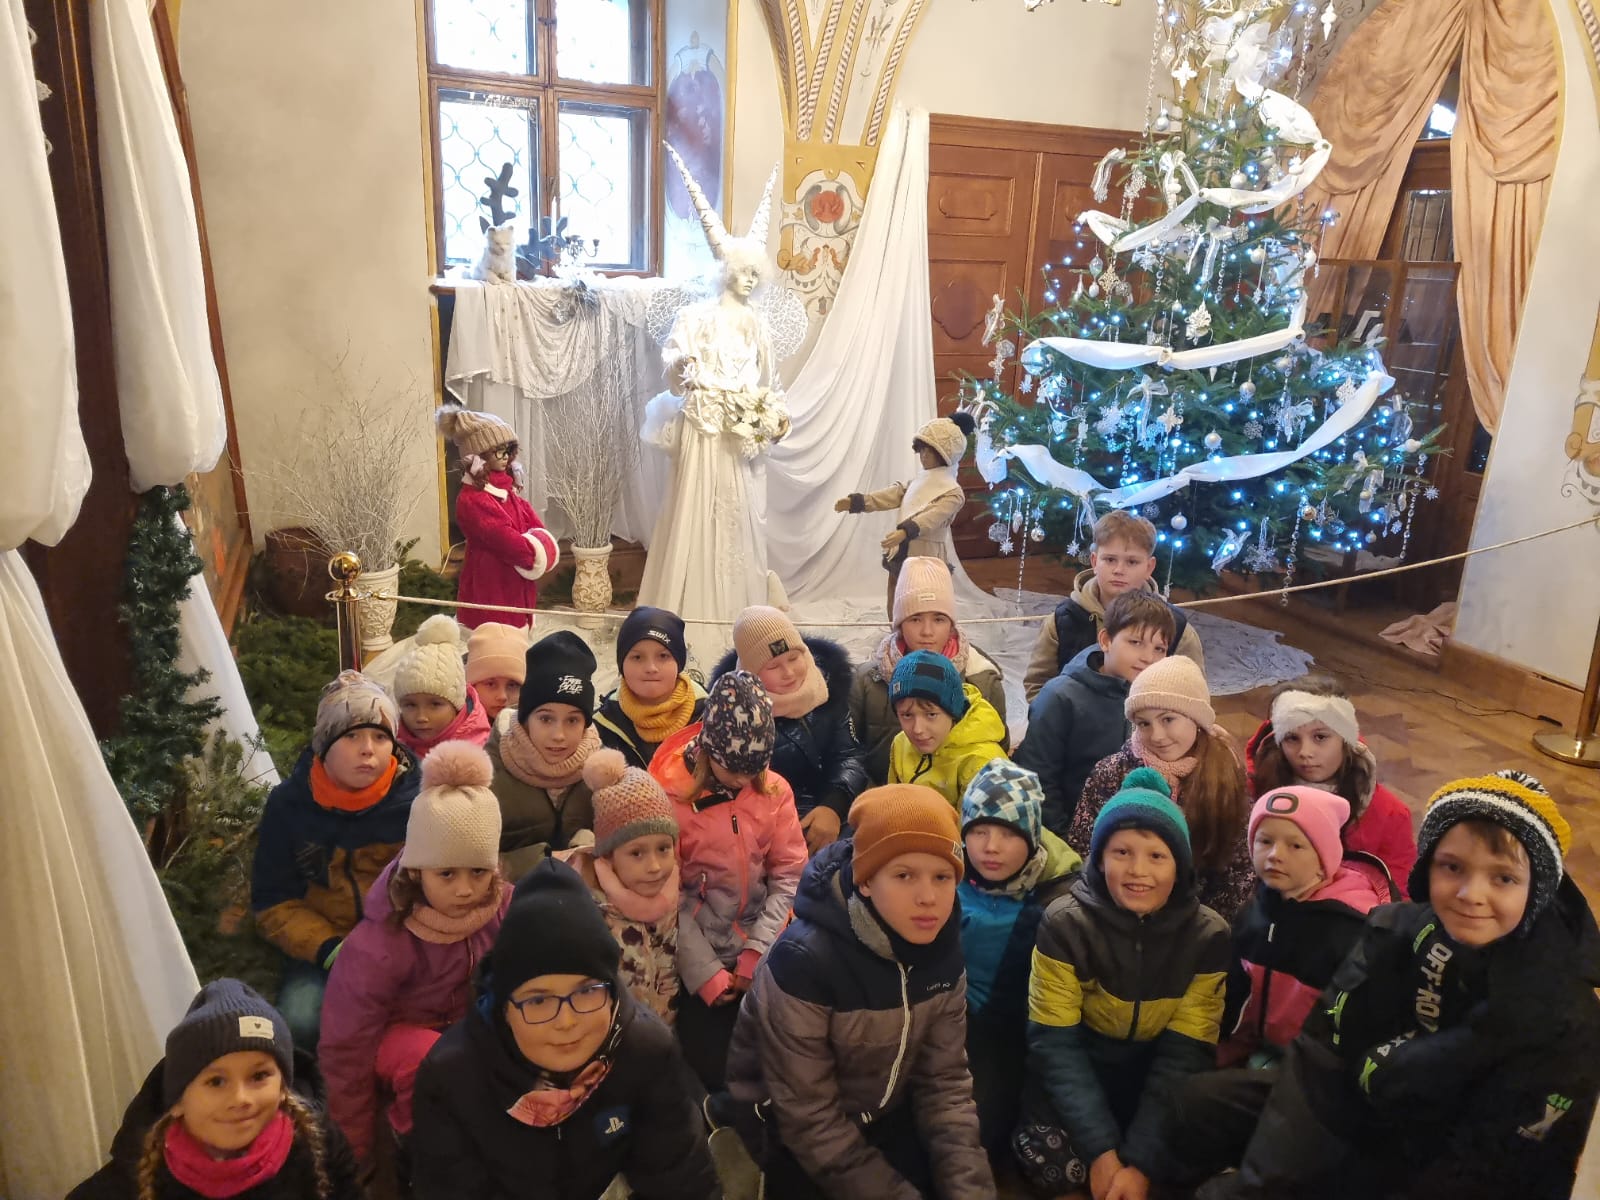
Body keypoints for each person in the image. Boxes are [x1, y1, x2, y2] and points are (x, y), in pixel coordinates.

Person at [1203, 771, 1600, 1200]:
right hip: (1367, 1115)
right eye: (1452, 867)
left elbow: (1493, 1168)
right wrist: (1261, 1181)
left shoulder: (1563, 1021)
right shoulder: (1399, 928)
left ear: (1537, 890)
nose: (1471, 894)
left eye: (1503, 878)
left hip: (1425, 1167)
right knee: (1194, 1104)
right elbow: (1322, 1052)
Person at [724, 785, 996, 1199]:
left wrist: (970, 1190)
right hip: (787, 1129)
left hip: (882, 1110)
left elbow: (944, 1083)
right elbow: (810, 1118)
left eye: (942, 877)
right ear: (865, 881)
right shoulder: (804, 962)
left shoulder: (943, 951)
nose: (928, 898)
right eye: (904, 876)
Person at [409, 859, 721, 1200]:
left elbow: (681, 1181)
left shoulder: (645, 1051)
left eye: (587, 991)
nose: (567, 1021)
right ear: (505, 1006)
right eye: (538, 1000)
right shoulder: (452, 1079)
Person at [1152, 785, 1394, 1192]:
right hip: (1263, 1056)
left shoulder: (1354, 930)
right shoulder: (1259, 909)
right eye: (1265, 841)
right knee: (1179, 1092)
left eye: (1296, 845)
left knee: (1198, 1105)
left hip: (1319, 1080)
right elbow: (1239, 1001)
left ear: (1325, 855)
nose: (1275, 855)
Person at [1015, 768, 1230, 1200]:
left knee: (1192, 1153)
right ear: (1099, 859)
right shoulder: (1064, 923)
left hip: (1151, 1075)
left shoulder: (1208, 936)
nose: (1137, 871)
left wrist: (1140, 1162)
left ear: (1180, 866)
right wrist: (1102, 1153)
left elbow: (1184, 1053)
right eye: (1121, 852)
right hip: (1084, 1067)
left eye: (1157, 856)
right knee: (1046, 1157)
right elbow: (1055, 1043)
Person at [320, 741, 510, 1167]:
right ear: (417, 870)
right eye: (447, 874)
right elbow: (346, 1046)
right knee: (428, 1063)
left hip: (467, 1025)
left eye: (479, 871)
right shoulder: (381, 942)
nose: (465, 890)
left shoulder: (501, 907)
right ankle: (418, 1146)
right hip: (396, 1037)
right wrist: (354, 1152)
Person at [636, 149, 789, 625]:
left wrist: (772, 414)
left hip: (740, 433)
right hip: (703, 427)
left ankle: (739, 609)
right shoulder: (695, 317)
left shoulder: (757, 324)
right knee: (696, 512)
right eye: (743, 271)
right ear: (725, 270)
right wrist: (683, 367)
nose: (749, 280)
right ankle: (690, 606)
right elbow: (672, 359)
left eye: (755, 274)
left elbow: (769, 378)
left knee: (739, 516)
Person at [648, 670, 807, 1090]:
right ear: (708, 750)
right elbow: (665, 895)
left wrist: (757, 952)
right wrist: (706, 973)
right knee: (714, 1065)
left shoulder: (773, 792)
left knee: (787, 1054)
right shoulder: (670, 801)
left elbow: (789, 875)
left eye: (755, 768)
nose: (743, 780)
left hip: (765, 942)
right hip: (697, 951)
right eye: (733, 768)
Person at [68, 979, 362, 1200]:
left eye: (259, 1076)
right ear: (178, 1100)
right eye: (216, 1082)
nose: (241, 1098)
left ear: (284, 1086)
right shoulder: (138, 1171)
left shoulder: (319, 1144)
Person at [251, 671, 420, 1048]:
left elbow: (437, 884)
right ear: (324, 744)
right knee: (301, 1019)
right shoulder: (291, 805)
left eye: (380, 737)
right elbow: (272, 902)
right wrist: (330, 949)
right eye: (351, 736)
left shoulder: (418, 801)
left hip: (403, 941)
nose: (368, 749)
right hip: (324, 947)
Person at [957, 760, 1081, 1161]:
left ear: (1031, 836)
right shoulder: (944, 876)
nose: (991, 847)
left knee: (979, 1132)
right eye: (979, 831)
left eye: (1009, 833)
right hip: (943, 1021)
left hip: (1012, 1038)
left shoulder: (1057, 900)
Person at [1070, 655, 1254, 923]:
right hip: (1116, 913)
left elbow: (1238, 870)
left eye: (1168, 719)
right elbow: (1083, 847)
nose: (1156, 735)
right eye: (1144, 723)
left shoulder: (1226, 776)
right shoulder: (1111, 772)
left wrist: (1201, 927)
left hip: (1194, 922)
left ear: (1196, 718)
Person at [1014, 590, 1174, 837]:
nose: (1148, 658)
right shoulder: (1060, 697)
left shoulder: (1161, 697)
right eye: (1135, 643)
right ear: (1106, 640)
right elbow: (1038, 778)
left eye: (1159, 649)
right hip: (1072, 835)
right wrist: (1065, 840)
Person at [711, 605, 866, 855]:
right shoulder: (733, 715)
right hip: (774, 830)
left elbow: (848, 754)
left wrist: (833, 806)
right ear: (751, 672)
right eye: (774, 666)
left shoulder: (826, 688)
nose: (789, 672)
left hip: (836, 816)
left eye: (794, 658)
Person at [1244, 673, 1417, 895]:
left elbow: (1398, 894)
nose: (1305, 752)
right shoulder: (1253, 792)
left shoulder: (1389, 814)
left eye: (1320, 737)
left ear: (1345, 739)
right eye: (1291, 738)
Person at [850, 557, 1007, 784]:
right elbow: (849, 754)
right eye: (915, 619)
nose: (927, 631)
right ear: (899, 623)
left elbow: (997, 757)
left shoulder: (981, 680)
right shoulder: (868, 681)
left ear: (951, 624)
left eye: (939, 619)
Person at [1022, 510, 1203, 703]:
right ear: (1094, 561)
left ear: (1149, 567)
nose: (1118, 570)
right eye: (1109, 560)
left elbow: (1194, 698)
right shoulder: (1062, 620)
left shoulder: (1177, 628)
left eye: (1132, 562)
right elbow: (1037, 687)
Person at [560, 748, 683, 1023]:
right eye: (636, 853)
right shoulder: (589, 913)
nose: (655, 866)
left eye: (663, 848)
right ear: (608, 856)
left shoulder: (673, 896)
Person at [833, 411, 978, 617]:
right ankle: (895, 625)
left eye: (930, 452)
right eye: (922, 451)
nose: (924, 456)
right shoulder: (919, 481)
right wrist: (859, 502)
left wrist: (905, 531)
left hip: (926, 553)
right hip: (902, 549)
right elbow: (893, 494)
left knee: (921, 594)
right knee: (895, 589)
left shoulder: (953, 492)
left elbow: (932, 517)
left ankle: (919, 627)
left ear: (945, 454)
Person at [487, 631, 602, 875]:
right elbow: (466, 863)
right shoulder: (488, 776)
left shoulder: (602, 774)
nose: (558, 735)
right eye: (546, 719)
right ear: (526, 718)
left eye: (572, 720)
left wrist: (594, 848)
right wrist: (543, 862)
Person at [436, 403, 558, 630]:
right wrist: (534, 554)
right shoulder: (473, 499)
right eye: (498, 451)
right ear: (480, 455)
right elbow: (503, 537)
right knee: (495, 633)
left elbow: (531, 521)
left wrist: (541, 543)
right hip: (491, 581)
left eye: (508, 450)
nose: (506, 457)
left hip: (515, 577)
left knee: (516, 628)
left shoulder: (506, 488)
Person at [886, 650, 1008, 808]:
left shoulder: (982, 764)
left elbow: (975, 824)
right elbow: (893, 804)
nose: (917, 729)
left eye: (931, 714)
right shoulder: (901, 743)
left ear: (953, 711)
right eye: (907, 715)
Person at [596, 607, 707, 770]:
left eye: (663, 656)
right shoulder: (602, 725)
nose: (651, 668)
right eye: (637, 657)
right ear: (622, 664)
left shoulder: (710, 716)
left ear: (679, 662)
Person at [390, 614, 491, 757]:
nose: (421, 717)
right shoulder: (390, 748)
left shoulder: (481, 755)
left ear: (458, 705)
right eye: (410, 705)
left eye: (435, 704)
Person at [465, 620, 529, 724]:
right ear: (472, 685)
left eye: (512, 685)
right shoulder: (452, 726)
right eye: (491, 684)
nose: (502, 696)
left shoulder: (535, 727)